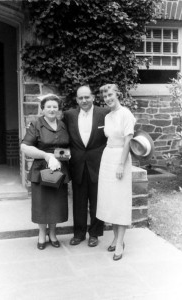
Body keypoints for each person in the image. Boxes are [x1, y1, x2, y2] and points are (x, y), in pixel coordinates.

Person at [20, 94, 70, 250]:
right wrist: (46, 155)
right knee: (42, 203)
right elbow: (25, 146)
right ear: (42, 109)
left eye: (55, 107)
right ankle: (42, 234)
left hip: (59, 170)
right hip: (41, 170)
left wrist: (66, 154)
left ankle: (53, 234)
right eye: (48, 106)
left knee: (56, 203)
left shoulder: (62, 124)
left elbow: (67, 144)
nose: (52, 109)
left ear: (58, 109)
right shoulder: (36, 124)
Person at [64, 85, 109, 247]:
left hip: (98, 164)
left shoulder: (104, 113)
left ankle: (95, 234)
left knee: (97, 201)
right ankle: (79, 234)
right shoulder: (69, 115)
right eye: (80, 98)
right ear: (76, 99)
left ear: (93, 97)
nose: (84, 100)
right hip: (77, 164)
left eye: (86, 97)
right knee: (79, 201)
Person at [96, 83, 136, 260]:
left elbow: (128, 141)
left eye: (110, 95)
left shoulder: (126, 114)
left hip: (121, 157)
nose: (108, 99)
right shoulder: (108, 116)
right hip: (107, 158)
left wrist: (121, 164)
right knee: (110, 200)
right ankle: (114, 238)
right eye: (105, 97)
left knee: (120, 200)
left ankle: (120, 242)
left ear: (117, 94)